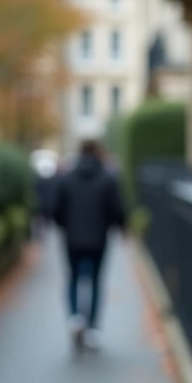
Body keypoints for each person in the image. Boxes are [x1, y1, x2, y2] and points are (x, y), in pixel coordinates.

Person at [52, 139, 126, 350]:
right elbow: (117, 209)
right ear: (98, 153)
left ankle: (75, 317)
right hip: (98, 238)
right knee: (95, 280)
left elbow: (56, 210)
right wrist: (120, 227)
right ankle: (92, 328)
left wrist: (65, 226)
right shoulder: (107, 179)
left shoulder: (66, 179)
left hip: (72, 239)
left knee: (73, 277)